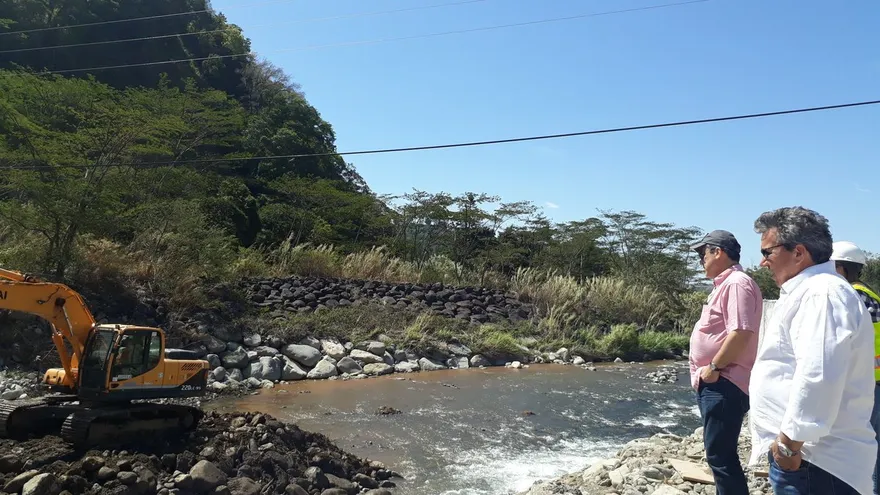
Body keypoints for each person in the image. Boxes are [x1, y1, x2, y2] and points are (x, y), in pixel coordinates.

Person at [748, 207, 876, 495]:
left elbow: (819, 373)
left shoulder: (822, 294)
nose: (762, 262)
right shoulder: (813, 291)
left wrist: (788, 447)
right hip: (810, 459)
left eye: (768, 252)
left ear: (798, 252)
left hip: (817, 462)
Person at [688, 229, 763, 495]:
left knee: (720, 456)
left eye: (702, 253)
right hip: (717, 382)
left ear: (718, 252)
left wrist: (714, 368)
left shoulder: (736, 283)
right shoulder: (727, 284)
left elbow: (741, 332)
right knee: (719, 454)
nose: (700, 260)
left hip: (724, 381)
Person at [830, 241, 880, 494]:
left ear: (839, 269)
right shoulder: (870, 294)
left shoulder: (850, 296)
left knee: (859, 447)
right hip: (873, 381)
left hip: (862, 384)